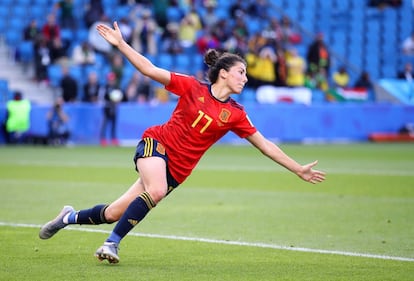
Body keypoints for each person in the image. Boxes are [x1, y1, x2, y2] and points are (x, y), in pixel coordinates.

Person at [38, 21, 326, 264]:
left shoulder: (236, 114)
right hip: (157, 144)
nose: (246, 78)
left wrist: (297, 168)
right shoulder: (191, 86)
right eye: (241, 72)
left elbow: (266, 145)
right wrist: (121, 44)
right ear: (223, 72)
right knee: (157, 190)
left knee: (114, 212)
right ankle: (111, 245)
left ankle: (67, 217)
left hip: (178, 169)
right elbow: (150, 70)